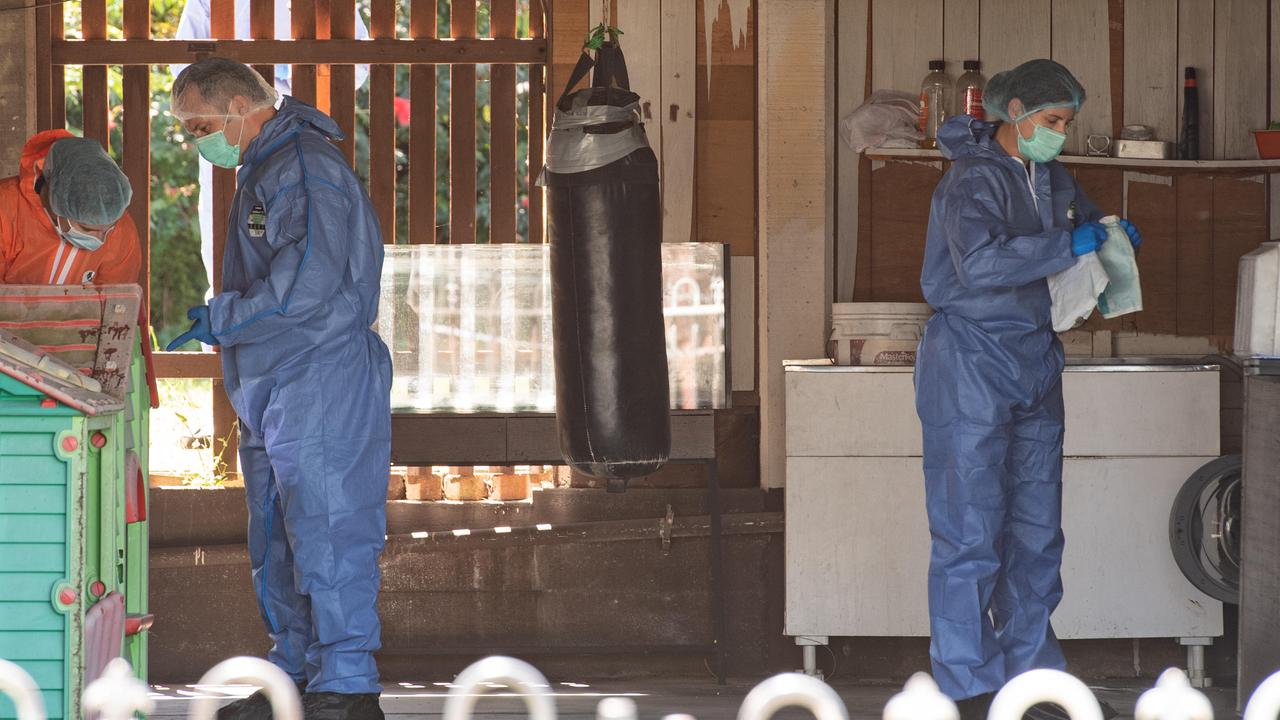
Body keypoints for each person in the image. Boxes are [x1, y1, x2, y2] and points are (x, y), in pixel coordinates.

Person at [914, 59, 1140, 720]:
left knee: (1037, 532)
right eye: (1051, 121)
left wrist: (1114, 238)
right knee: (970, 531)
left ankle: (1032, 678)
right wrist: (1068, 243)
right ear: (1015, 112)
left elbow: (1085, 228)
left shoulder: (1055, 176)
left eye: (1066, 123)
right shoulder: (969, 182)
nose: (1060, 134)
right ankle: (967, 685)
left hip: (1035, 359)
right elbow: (980, 262)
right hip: (971, 364)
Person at [167, 56, 391, 720]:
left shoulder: (303, 166)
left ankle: (346, 687)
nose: (195, 140)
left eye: (200, 124)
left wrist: (227, 316)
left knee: (328, 530)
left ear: (240, 106)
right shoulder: (265, 166)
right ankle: (293, 677)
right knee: (281, 539)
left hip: (318, 374)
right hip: (280, 381)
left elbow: (309, 281)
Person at [172, 0, 369, 298]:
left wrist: (282, 76)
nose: (199, 138)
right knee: (229, 248)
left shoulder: (311, 164)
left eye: (199, 131)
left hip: (305, 336)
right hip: (229, 124)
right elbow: (186, 68)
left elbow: (354, 64)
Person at [0, 131, 140, 286]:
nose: (101, 240)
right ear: (57, 203)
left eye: (109, 229)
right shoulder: (6, 210)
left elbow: (116, 302)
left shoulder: (119, 226)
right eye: (86, 229)